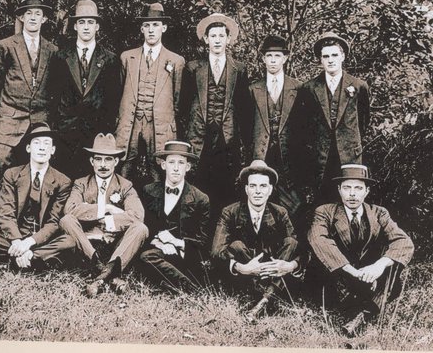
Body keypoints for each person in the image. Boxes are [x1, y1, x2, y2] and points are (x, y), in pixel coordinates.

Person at [306, 163, 414, 335]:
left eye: (358, 188)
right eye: (347, 188)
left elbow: (403, 241)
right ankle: (357, 307)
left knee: (393, 269)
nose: (352, 194)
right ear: (339, 189)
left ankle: (364, 314)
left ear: (367, 191)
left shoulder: (379, 213)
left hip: (367, 276)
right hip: (338, 276)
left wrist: (378, 266)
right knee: (319, 274)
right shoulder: (325, 212)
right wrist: (352, 271)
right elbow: (318, 240)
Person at [0, 123, 75, 272]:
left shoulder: (63, 181)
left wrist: (29, 243)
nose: (42, 148)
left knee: (70, 241)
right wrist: (17, 241)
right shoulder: (12, 174)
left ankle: (8, 263)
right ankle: (30, 260)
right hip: (12, 239)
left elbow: (53, 222)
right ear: (28, 148)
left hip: (40, 241)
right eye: (37, 143)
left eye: (46, 143)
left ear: (52, 150)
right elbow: (6, 212)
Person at [180, 11, 252, 216]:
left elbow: (244, 109)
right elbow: (183, 105)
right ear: (206, 39)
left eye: (221, 35)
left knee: (226, 188)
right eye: (213, 36)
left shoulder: (239, 69)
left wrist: (243, 142)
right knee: (198, 184)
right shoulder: (193, 68)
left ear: (228, 39)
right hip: (199, 137)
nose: (217, 40)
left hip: (227, 139)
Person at [60, 133, 149, 298]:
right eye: (98, 159)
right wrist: (106, 208)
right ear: (91, 161)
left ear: (116, 162)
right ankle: (105, 271)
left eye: (108, 159)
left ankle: (100, 276)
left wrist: (106, 221)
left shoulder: (125, 186)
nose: (103, 165)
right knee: (67, 220)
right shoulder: (81, 183)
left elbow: (137, 215)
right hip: (88, 242)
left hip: (115, 242)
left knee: (140, 229)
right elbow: (70, 210)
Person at [210, 160, 301, 321]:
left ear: (270, 190)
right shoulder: (230, 212)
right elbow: (216, 251)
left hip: (272, 272)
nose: (258, 191)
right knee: (237, 245)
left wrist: (289, 266)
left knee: (291, 243)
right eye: (253, 186)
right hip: (244, 276)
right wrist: (242, 268)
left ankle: (264, 300)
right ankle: (268, 298)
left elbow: (298, 249)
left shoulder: (279, 213)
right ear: (246, 189)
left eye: (263, 186)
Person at [289, 31, 370, 202]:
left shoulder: (359, 86)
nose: (330, 60)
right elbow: (302, 126)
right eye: (326, 56)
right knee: (323, 200)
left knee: (350, 197)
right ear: (320, 60)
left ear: (343, 56)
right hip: (320, 157)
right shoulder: (309, 88)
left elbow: (363, 121)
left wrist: (350, 141)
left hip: (349, 155)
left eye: (334, 55)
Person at [49, 0, 123, 179]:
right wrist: (59, 128)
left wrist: (105, 132)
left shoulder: (110, 60)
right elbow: (53, 96)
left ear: (97, 26)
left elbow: (113, 101)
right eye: (81, 22)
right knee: (64, 181)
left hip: (95, 135)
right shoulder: (60, 57)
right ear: (75, 26)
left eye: (91, 22)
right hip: (65, 135)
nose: (86, 27)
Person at [114, 3, 185, 187]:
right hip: (131, 122)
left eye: (155, 25)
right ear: (142, 29)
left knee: (158, 169)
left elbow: (177, 98)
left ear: (164, 28)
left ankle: (159, 205)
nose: (151, 30)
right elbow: (120, 91)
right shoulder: (127, 58)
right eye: (147, 25)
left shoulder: (176, 61)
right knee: (124, 167)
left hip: (159, 124)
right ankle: (119, 202)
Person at [0, 0, 58, 174]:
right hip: (9, 118)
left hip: (40, 119)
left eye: (38, 13)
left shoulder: (52, 50)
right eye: (28, 13)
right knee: (2, 160)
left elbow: (54, 88)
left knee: (37, 167)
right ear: (21, 17)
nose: (33, 18)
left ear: (44, 19)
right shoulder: (6, 46)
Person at [137, 141, 211, 292]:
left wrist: (175, 242)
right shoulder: (148, 191)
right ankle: (190, 288)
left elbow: (203, 241)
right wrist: (160, 243)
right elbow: (144, 227)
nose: (176, 168)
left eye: (181, 163)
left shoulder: (200, 198)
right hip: (157, 250)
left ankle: (179, 285)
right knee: (146, 257)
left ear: (188, 167)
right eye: (171, 162)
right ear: (163, 165)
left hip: (185, 255)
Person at [246, 34, 303, 217]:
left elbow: (305, 128)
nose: (272, 60)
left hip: (289, 158)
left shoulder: (299, 88)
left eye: (277, 56)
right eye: (269, 56)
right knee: (261, 200)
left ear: (285, 58)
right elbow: (245, 126)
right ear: (263, 59)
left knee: (292, 205)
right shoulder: (253, 89)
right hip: (261, 155)